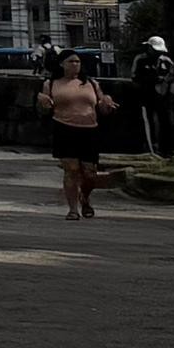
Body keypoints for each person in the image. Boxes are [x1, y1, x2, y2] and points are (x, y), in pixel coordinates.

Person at [40, 49, 121, 221]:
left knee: (90, 173)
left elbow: (101, 106)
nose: (75, 65)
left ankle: (85, 196)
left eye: (77, 62)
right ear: (62, 64)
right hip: (64, 128)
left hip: (89, 129)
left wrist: (106, 103)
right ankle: (72, 209)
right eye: (71, 61)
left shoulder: (91, 83)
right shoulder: (51, 83)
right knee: (71, 170)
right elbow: (44, 107)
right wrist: (43, 102)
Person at [137, 32, 174, 160]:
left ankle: (167, 149)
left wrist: (166, 82)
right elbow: (135, 78)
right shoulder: (140, 60)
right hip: (147, 97)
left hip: (164, 98)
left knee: (167, 122)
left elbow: (173, 76)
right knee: (149, 123)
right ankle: (152, 149)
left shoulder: (167, 62)